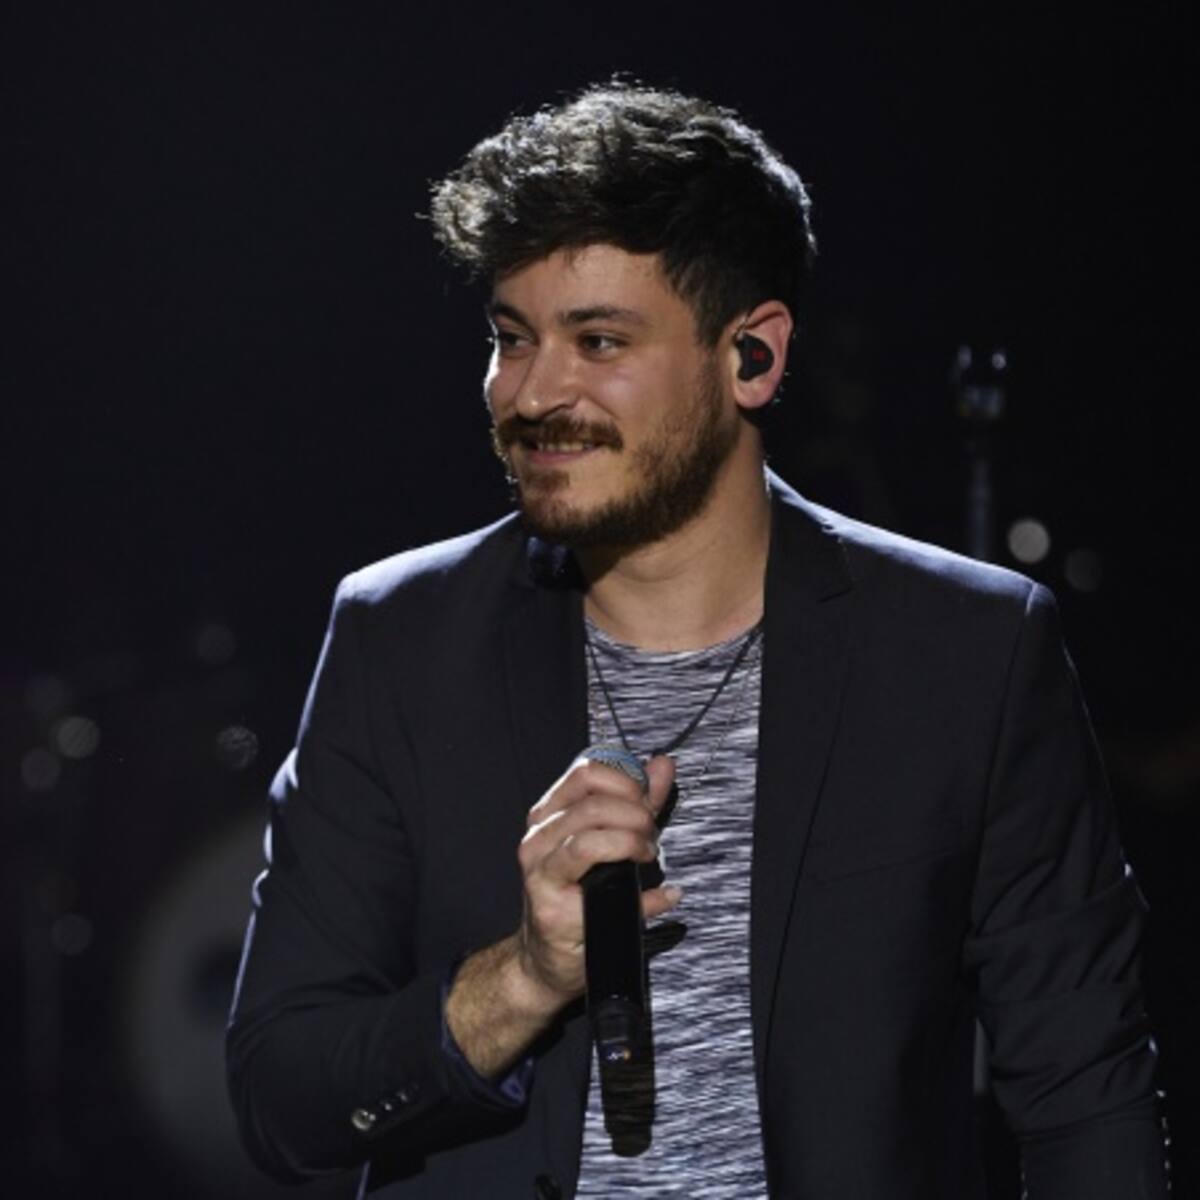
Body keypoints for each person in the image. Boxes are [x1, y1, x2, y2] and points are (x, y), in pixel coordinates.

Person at [226, 82, 1168, 1198]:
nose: (533, 392)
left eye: (599, 340)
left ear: (752, 356)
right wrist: (523, 980)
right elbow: (283, 1098)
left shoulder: (968, 651)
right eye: (512, 338)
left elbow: (1087, 1099)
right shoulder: (400, 639)